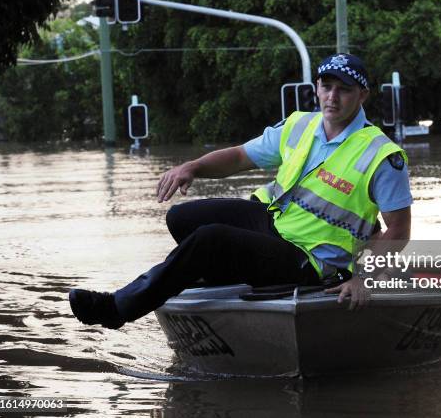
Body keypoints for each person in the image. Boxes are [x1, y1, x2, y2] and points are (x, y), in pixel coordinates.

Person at [69, 53, 412, 329]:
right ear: (317, 87)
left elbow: (398, 229)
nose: (332, 97)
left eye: (344, 89)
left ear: (362, 95)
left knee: (211, 239)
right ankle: (223, 270)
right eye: (327, 86)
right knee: (181, 216)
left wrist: (363, 279)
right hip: (275, 225)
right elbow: (239, 156)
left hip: (314, 260)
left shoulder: (381, 155)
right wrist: (192, 168)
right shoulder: (300, 124)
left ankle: (118, 307)